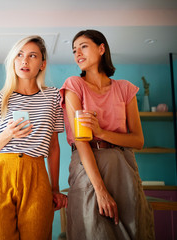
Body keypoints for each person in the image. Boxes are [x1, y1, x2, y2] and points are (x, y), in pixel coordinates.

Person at [59, 29, 155, 239]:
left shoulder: (125, 88)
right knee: (92, 230)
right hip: (88, 169)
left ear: (101, 48)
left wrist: (101, 131)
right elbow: (81, 140)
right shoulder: (74, 85)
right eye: (74, 50)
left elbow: (137, 140)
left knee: (133, 230)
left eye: (83, 46)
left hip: (124, 165)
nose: (78, 54)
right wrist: (100, 190)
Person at [0, 35, 68, 239]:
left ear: (42, 64)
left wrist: (55, 187)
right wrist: (8, 134)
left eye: (32, 55)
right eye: (19, 55)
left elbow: (54, 147)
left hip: (36, 173)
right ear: (13, 61)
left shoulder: (53, 97)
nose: (24, 61)